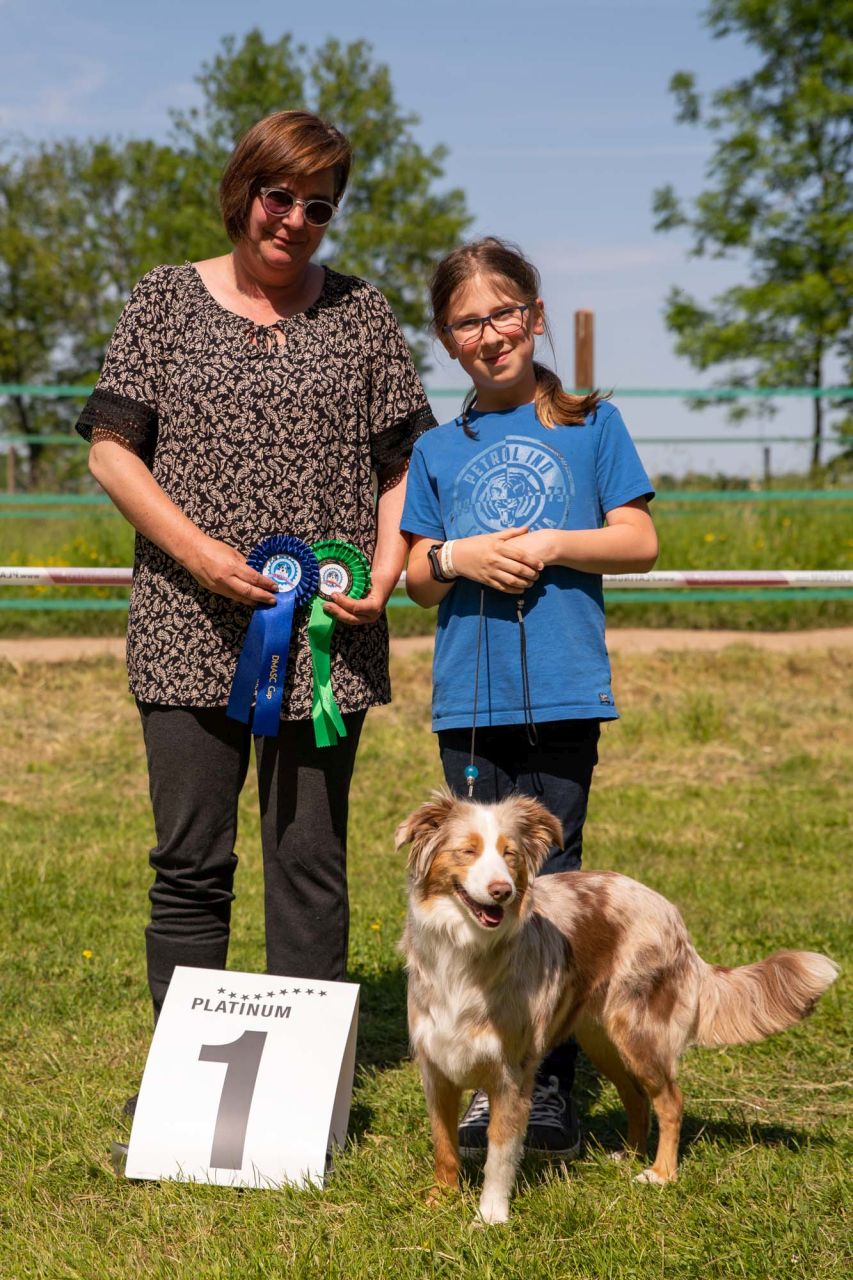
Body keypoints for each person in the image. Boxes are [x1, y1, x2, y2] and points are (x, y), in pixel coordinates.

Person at [76, 111, 435, 1058]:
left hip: (327, 632)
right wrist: (197, 552)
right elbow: (112, 453)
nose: (295, 220)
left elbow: (405, 461)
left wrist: (388, 572)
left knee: (308, 862)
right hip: (183, 624)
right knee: (190, 863)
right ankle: (184, 1078)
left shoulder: (363, 313)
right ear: (245, 191)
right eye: (281, 196)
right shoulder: (160, 300)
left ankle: (305, 1084)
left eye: (319, 207)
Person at [401, 237, 658, 1158]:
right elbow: (416, 580)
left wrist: (552, 541)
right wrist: (456, 557)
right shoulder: (437, 448)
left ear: (535, 317)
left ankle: (544, 1086)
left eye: (504, 312)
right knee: (478, 888)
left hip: (561, 695)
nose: (490, 332)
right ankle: (483, 1075)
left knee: (543, 894)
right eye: (468, 321)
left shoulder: (594, 426)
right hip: (469, 704)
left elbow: (637, 540)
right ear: (446, 339)